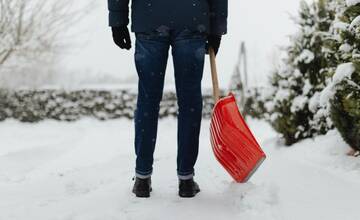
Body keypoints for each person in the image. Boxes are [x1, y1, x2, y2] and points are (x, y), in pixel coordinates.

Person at [107, 0, 228, 198]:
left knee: (148, 99)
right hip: (192, 18)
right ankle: (186, 179)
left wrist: (118, 20)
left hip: (149, 17)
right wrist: (217, 28)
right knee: (190, 101)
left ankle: (142, 178)